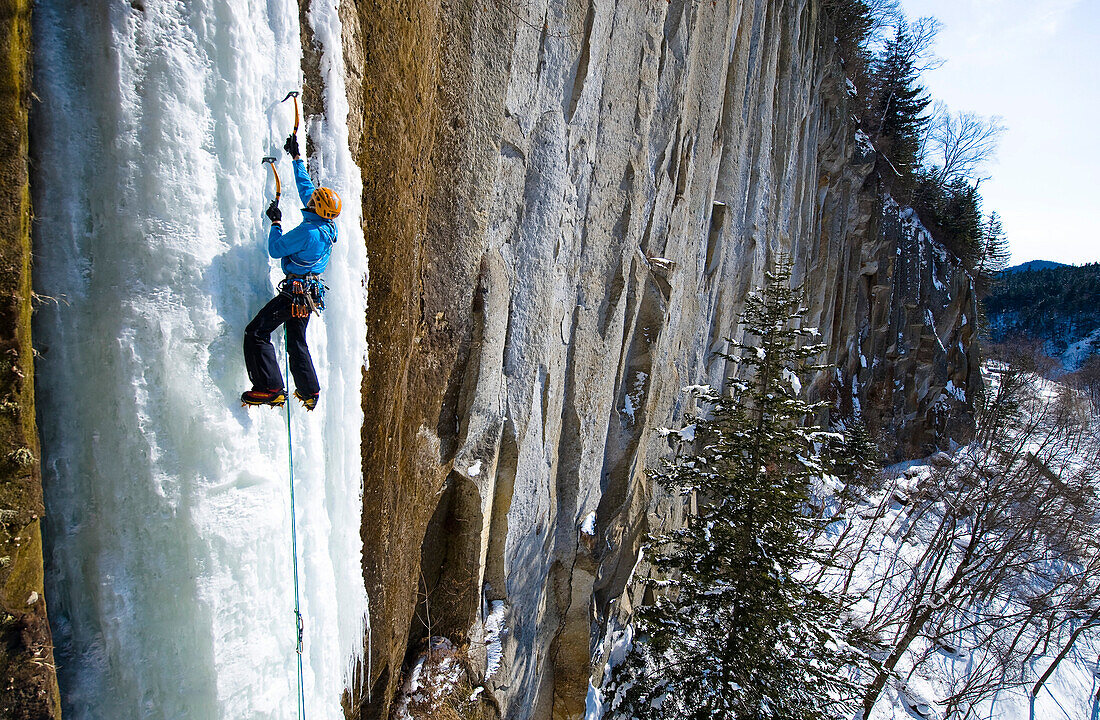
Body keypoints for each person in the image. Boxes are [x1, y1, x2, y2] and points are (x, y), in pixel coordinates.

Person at [241, 132, 341, 410]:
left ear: (316, 208)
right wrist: (297, 158)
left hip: (295, 293)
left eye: (313, 202)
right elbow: (306, 188)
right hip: (310, 294)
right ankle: (310, 391)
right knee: (296, 339)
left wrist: (275, 222)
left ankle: (270, 387)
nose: (309, 200)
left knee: (257, 333)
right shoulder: (329, 226)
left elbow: (276, 249)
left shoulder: (307, 232)